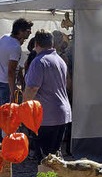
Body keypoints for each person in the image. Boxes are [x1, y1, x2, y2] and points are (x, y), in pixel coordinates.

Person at [23, 29, 72, 161]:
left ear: (36, 44)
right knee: (55, 157)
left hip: (46, 116)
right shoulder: (60, 60)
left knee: (45, 160)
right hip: (62, 114)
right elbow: (68, 83)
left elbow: (32, 88)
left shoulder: (39, 62)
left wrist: (23, 109)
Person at [0, 18, 33, 104]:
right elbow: (11, 71)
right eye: (28, 30)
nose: (30, 32)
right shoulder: (15, 47)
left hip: (2, 80)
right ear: (20, 31)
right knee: (5, 113)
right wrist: (12, 92)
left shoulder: (4, 37)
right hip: (5, 84)